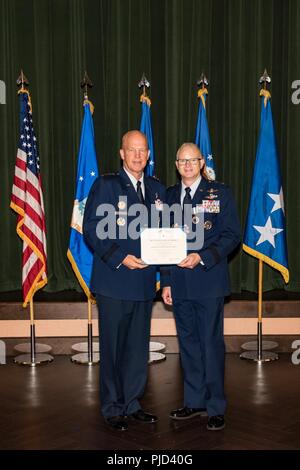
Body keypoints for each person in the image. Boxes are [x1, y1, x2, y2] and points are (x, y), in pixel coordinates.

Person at [83, 130, 166, 431]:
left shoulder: (157, 189)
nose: (137, 156)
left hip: (144, 283)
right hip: (114, 281)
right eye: (132, 150)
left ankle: (132, 403)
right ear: (121, 153)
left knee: (137, 349)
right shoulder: (105, 185)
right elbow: (91, 228)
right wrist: (120, 256)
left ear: (148, 154)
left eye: (142, 150)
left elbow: (166, 232)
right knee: (113, 349)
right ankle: (112, 406)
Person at [161, 142, 240, 431]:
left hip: (208, 281)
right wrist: (166, 281)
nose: (188, 165)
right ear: (176, 164)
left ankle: (215, 405)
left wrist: (202, 256)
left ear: (202, 162)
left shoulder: (220, 193)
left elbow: (232, 235)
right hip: (178, 284)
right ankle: (194, 402)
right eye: (182, 161)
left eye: (193, 160)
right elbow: (163, 239)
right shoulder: (168, 196)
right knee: (189, 345)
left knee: (210, 344)